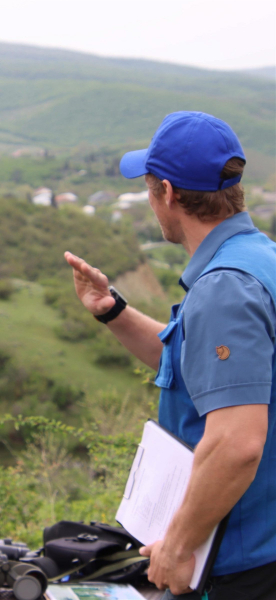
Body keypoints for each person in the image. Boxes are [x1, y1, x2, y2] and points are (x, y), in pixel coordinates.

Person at [65, 112, 276, 600]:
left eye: (148, 188)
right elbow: (194, 366)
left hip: (241, 567)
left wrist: (180, 545)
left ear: (168, 192)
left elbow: (237, 443)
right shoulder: (258, 258)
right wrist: (113, 311)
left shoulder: (225, 289)